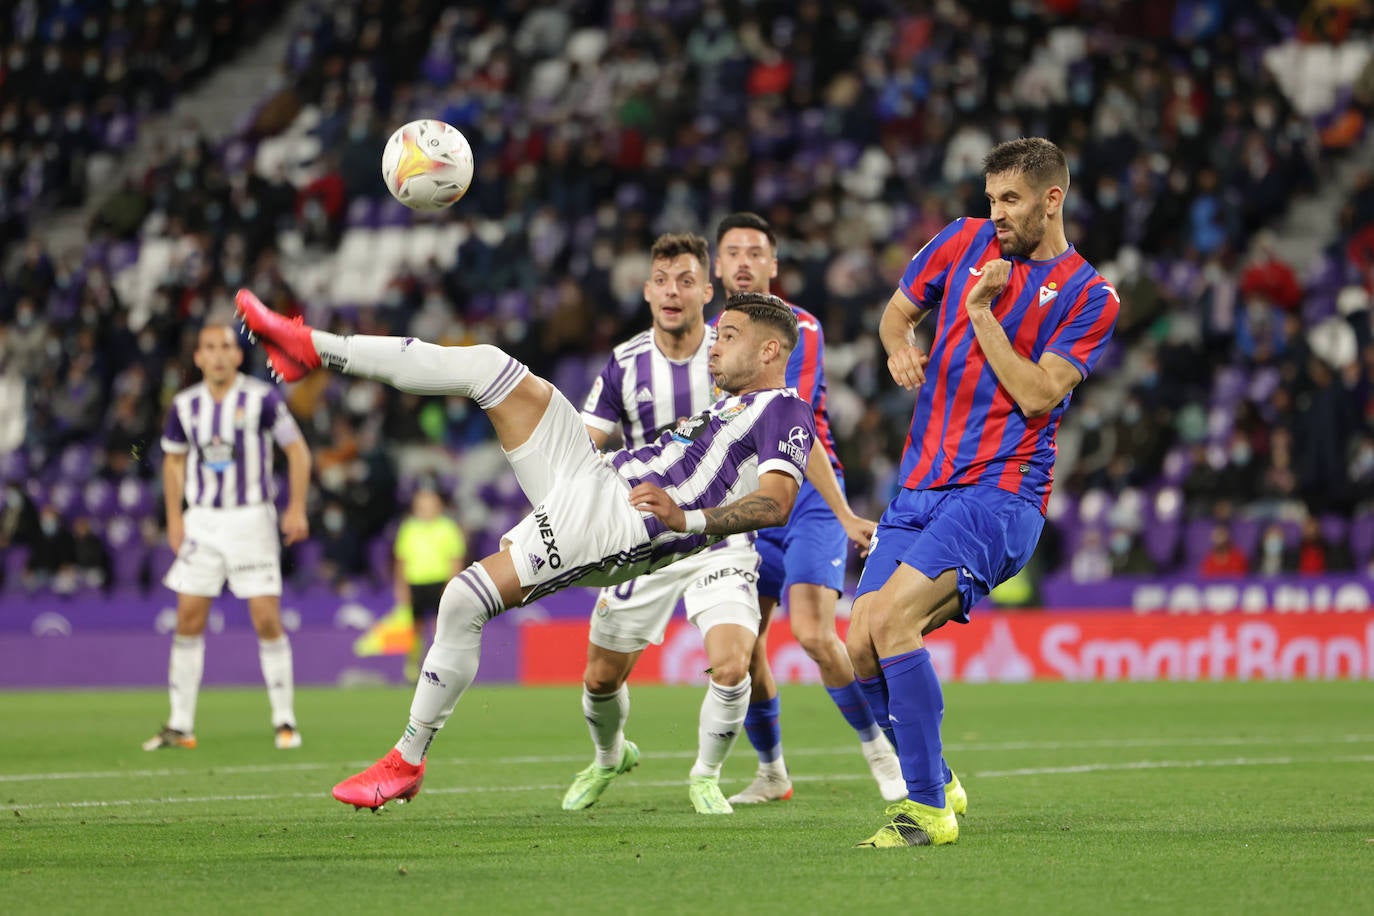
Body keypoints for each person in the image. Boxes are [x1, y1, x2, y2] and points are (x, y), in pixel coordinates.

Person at [234, 286, 818, 812]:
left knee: (463, 600)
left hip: (616, 523)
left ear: (771, 352)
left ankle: (406, 759)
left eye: (731, 337)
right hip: (593, 473)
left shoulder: (786, 411)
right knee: (488, 365)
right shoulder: (729, 405)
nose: (713, 348)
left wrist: (686, 516)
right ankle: (311, 347)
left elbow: (775, 502)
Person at [845, 138, 1120, 848]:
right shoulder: (960, 240)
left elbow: (1035, 395)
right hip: (920, 485)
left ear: (1051, 199)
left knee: (894, 622)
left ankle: (928, 810)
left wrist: (980, 315)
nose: (995, 214)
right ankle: (935, 771)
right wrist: (897, 343)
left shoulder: (1091, 295)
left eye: (1011, 201)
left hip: (1000, 494)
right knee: (858, 644)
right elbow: (895, 312)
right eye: (991, 199)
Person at [565, 232, 784, 815]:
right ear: (646, 291)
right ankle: (610, 756)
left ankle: (706, 775)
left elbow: (779, 413)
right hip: (644, 539)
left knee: (734, 662)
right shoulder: (625, 363)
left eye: (686, 280)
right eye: (662, 280)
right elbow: (586, 445)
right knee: (598, 680)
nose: (673, 291)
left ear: (707, 291)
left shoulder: (731, 350)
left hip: (720, 537)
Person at [712, 212, 903, 805]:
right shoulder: (707, 340)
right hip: (743, 503)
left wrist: (846, 515)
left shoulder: (799, 330)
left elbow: (794, 419)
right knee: (743, 650)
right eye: (733, 252)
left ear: (774, 265)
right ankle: (772, 774)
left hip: (808, 496)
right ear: (717, 266)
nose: (744, 261)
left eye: (756, 252)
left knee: (816, 635)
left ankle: (885, 754)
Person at [143, 319, 312, 752]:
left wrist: (295, 506)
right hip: (203, 521)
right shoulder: (184, 406)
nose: (218, 354)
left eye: (225, 346)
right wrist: (176, 520)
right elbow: (173, 463)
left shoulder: (262, 398)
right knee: (188, 618)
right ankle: (180, 725)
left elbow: (297, 449)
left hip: (251, 519)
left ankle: (284, 720)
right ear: (198, 357)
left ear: (237, 355)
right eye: (209, 348)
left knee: (266, 618)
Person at [393, 487, 467, 681]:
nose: (426, 509)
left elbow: (455, 559)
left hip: (439, 583)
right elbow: (401, 560)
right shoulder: (409, 528)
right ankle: (412, 666)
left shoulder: (448, 528)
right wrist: (401, 587)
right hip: (416, 583)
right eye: (422, 506)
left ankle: (439, 667)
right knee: (415, 627)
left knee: (439, 627)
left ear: (439, 507)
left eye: (430, 505)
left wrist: (452, 585)